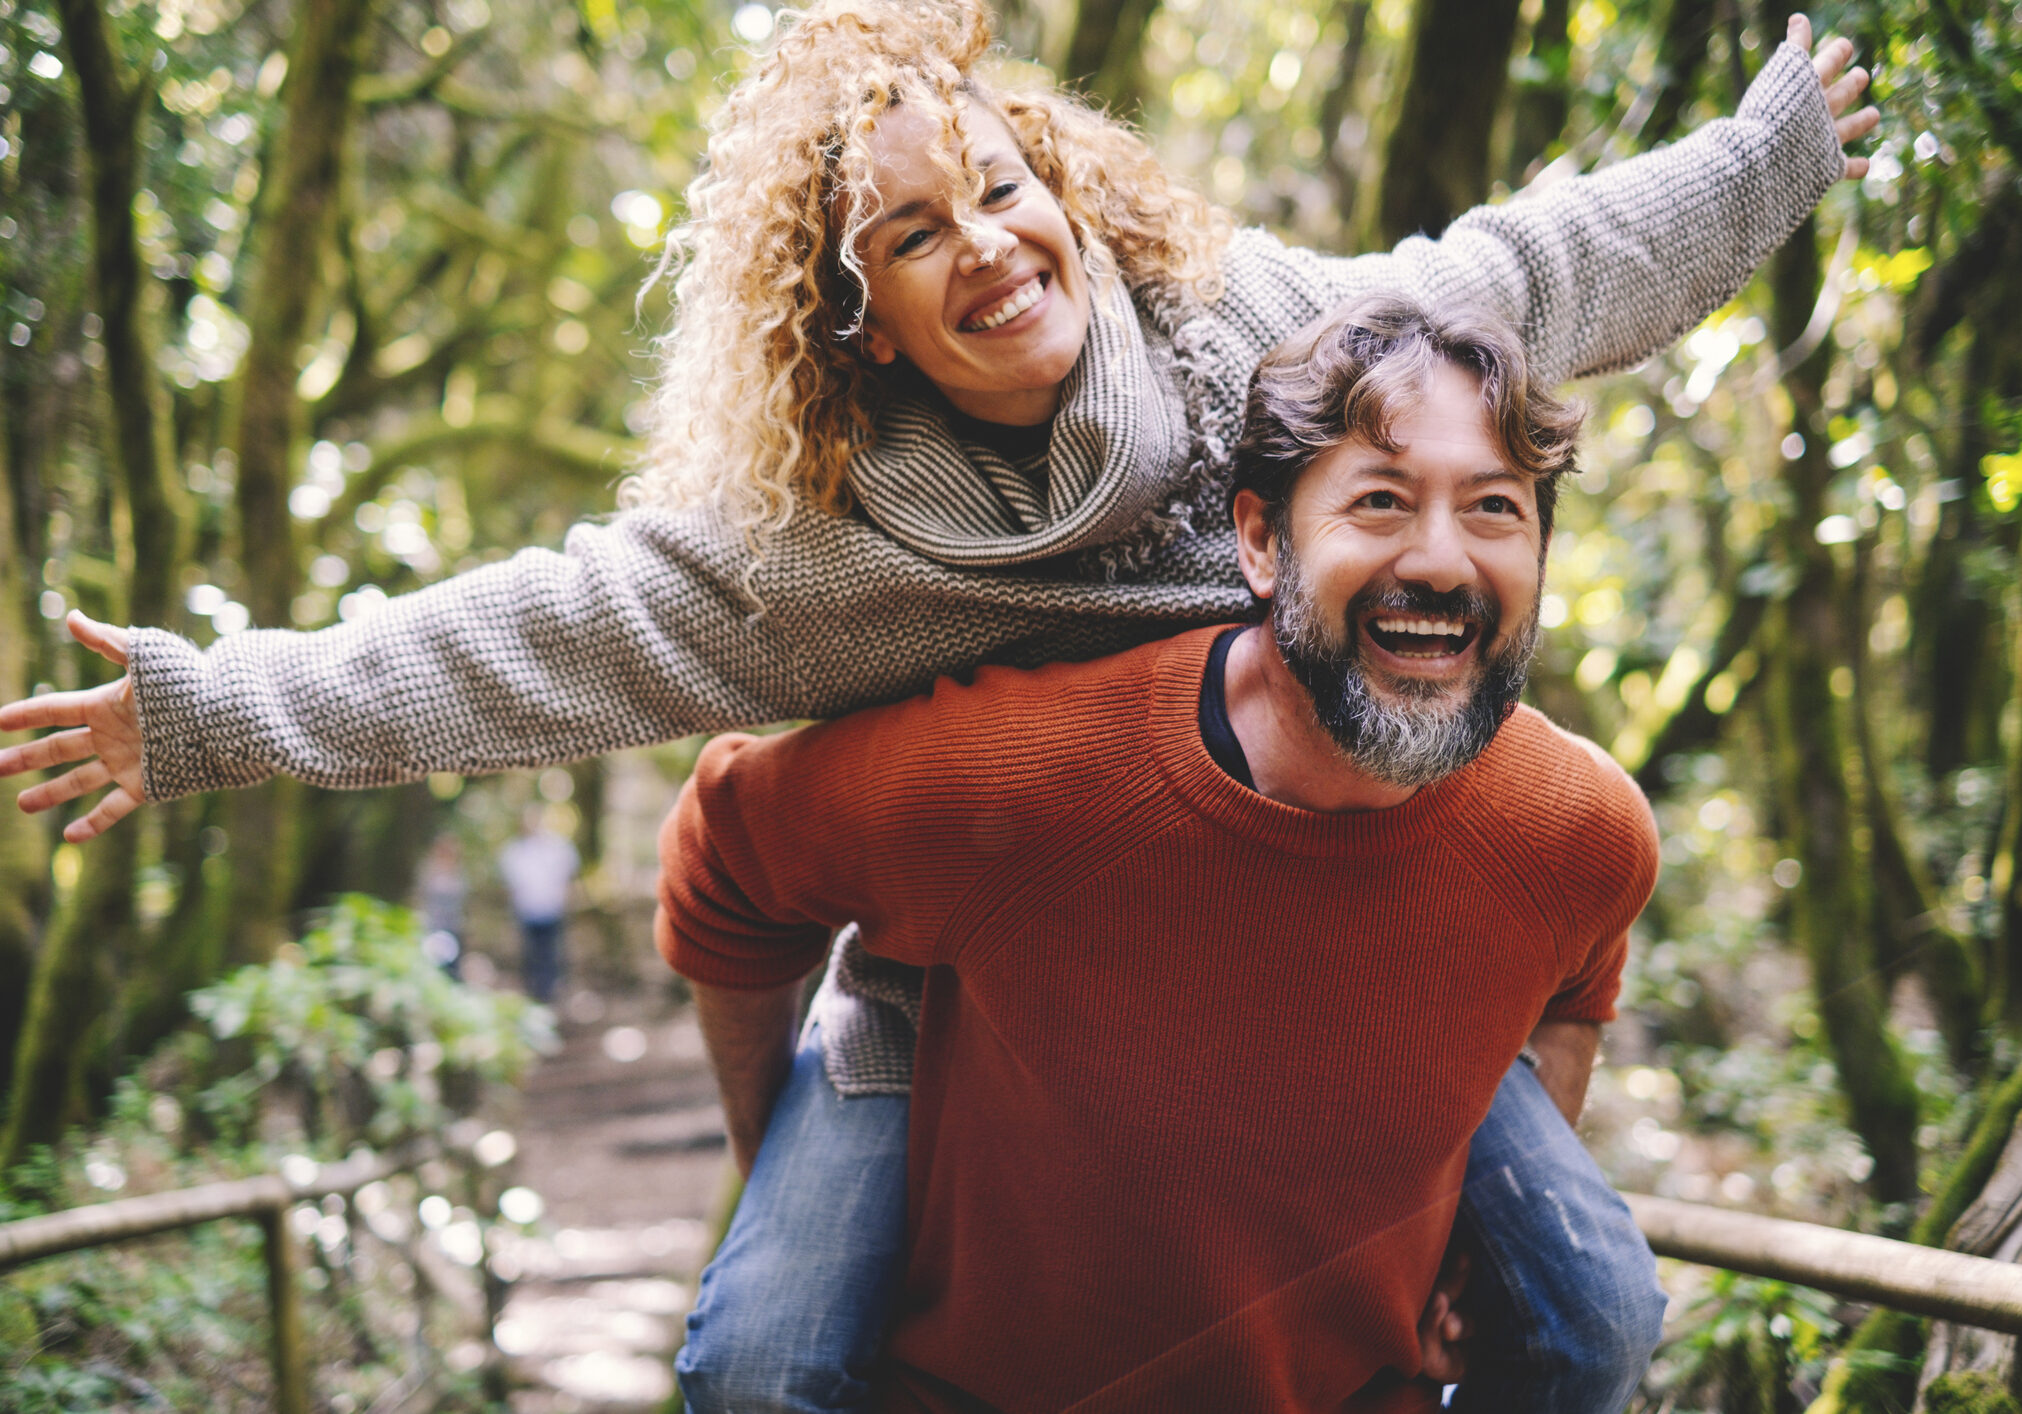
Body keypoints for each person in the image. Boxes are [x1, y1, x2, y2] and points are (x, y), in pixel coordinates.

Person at [0, 1, 1876, 1406]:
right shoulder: (812, 555)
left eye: (1000, 183)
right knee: (757, 1352)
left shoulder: (1250, 341)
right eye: (912, 235)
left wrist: (1771, 151)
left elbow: (1529, 271)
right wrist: (214, 706)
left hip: (1319, 881)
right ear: (854, 321)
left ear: (1064, 189)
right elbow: (532, 636)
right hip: (951, 955)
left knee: (1596, 1306)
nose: (985, 240)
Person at [657, 294, 1660, 1412]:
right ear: (1262, 541)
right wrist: (770, 1162)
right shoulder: (1024, 778)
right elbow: (726, 850)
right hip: (973, 1378)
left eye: (1494, 510)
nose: (1439, 558)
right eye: (1379, 501)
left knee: (1605, 1318)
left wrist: (1480, 1247)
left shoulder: (1581, 829)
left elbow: (1579, 976)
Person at [498, 809, 579, 1004]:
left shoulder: (557, 848)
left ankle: (549, 993)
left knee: (550, 952)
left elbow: (569, 873)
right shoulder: (514, 852)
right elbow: (510, 883)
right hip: (527, 911)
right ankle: (533, 992)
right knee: (530, 953)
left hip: (551, 910)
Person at [416, 833, 468, 976]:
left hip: (453, 926)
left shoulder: (458, 872)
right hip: (433, 926)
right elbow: (421, 897)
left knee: (452, 970)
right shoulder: (428, 871)